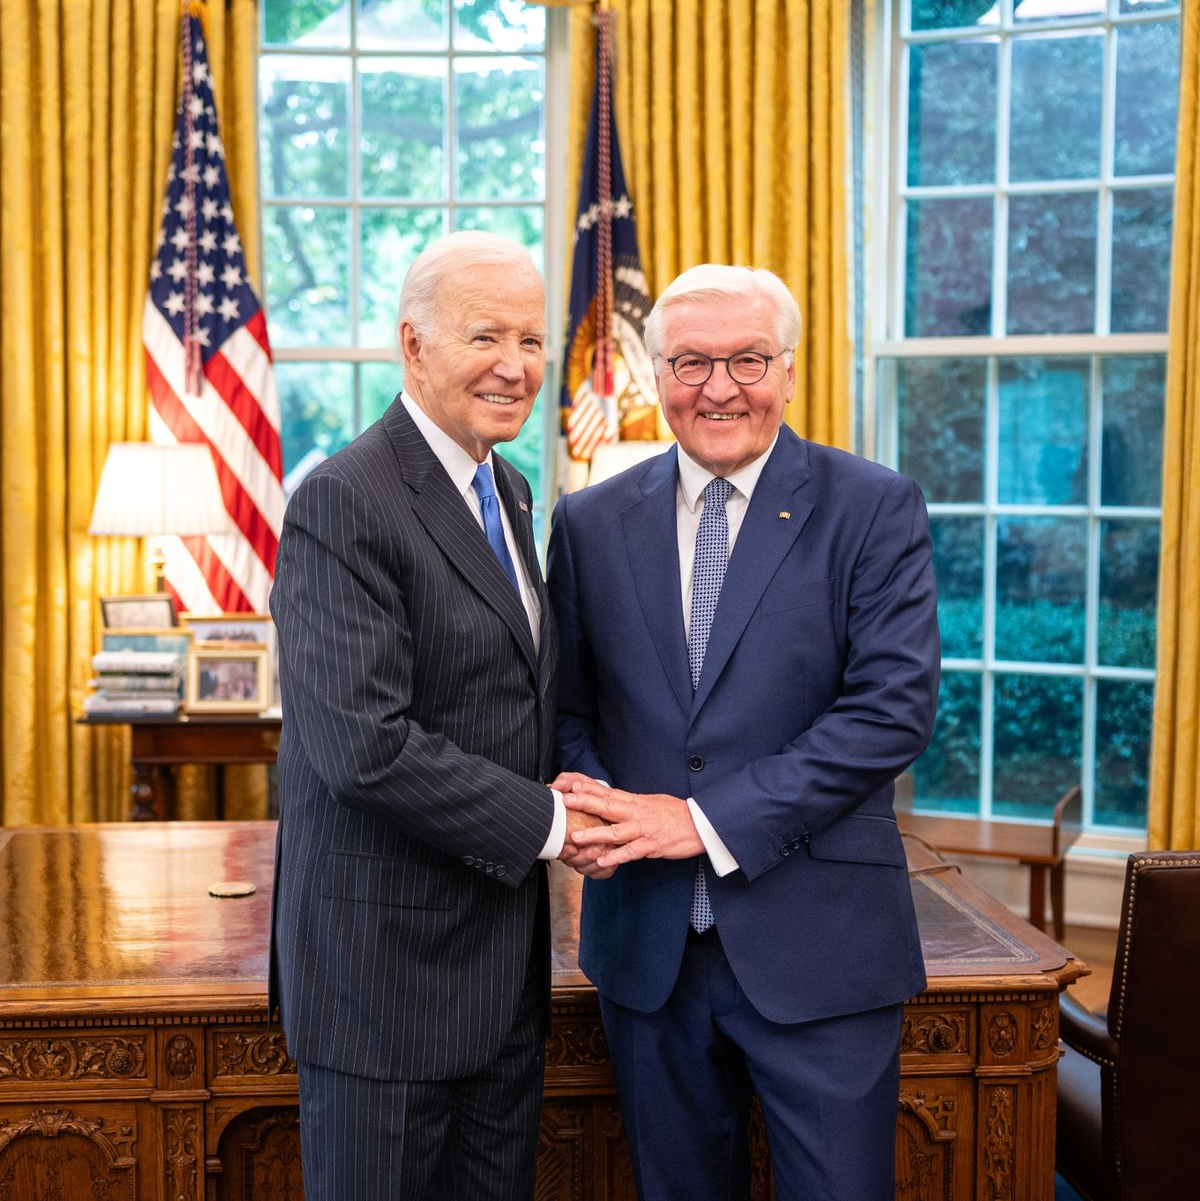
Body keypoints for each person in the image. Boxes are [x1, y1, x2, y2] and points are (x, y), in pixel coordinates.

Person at [547, 264, 941, 1201]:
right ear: (657, 375)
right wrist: (592, 798)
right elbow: (567, 708)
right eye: (690, 362)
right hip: (646, 953)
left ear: (791, 372)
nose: (719, 387)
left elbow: (892, 710)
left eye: (748, 359)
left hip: (823, 949)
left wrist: (704, 820)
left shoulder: (872, 506)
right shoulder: (590, 520)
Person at [269, 231, 604, 1201]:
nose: (517, 366)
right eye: (486, 336)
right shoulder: (344, 498)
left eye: (534, 341)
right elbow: (363, 748)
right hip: (385, 988)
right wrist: (554, 822)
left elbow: (513, 697)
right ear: (413, 346)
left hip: (500, 978)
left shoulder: (508, 487)